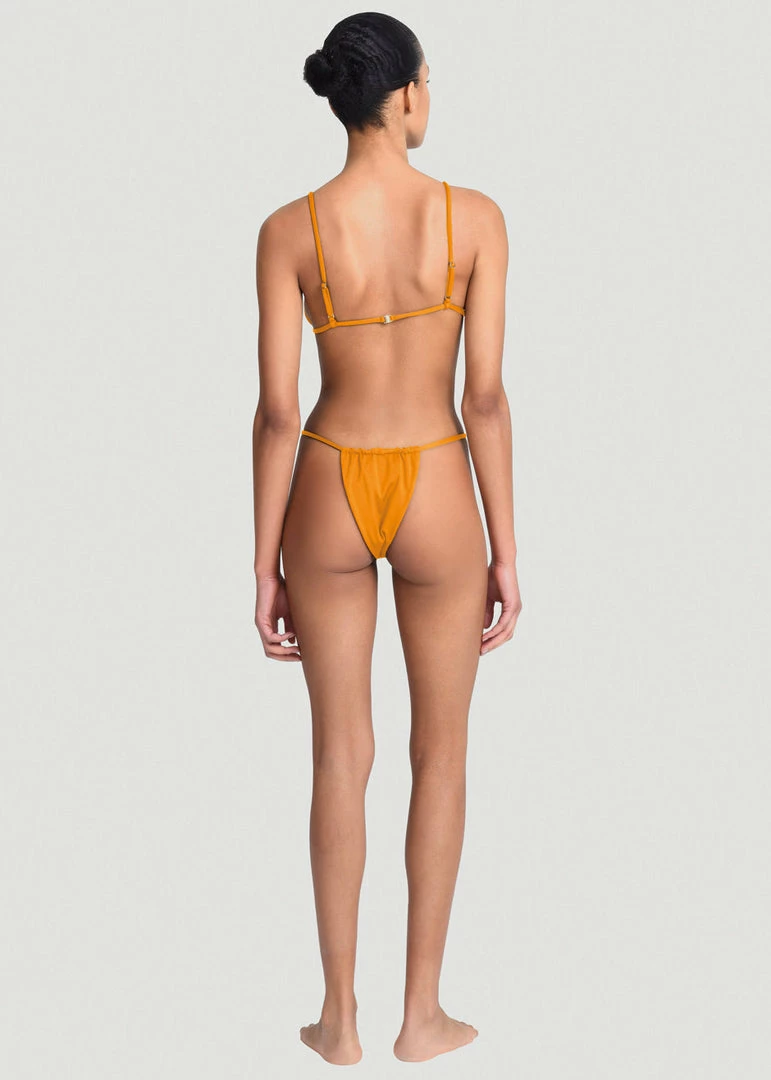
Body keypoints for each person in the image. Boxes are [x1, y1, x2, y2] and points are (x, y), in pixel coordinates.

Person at [252, 12, 521, 1066]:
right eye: (427, 82)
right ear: (406, 92)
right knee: (439, 753)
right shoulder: (475, 219)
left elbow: (278, 412)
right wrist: (506, 548)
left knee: (339, 752)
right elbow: (484, 397)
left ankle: (338, 1020)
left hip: (328, 474)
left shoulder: (290, 229)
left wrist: (262, 562)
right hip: (437, 480)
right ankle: (422, 1016)